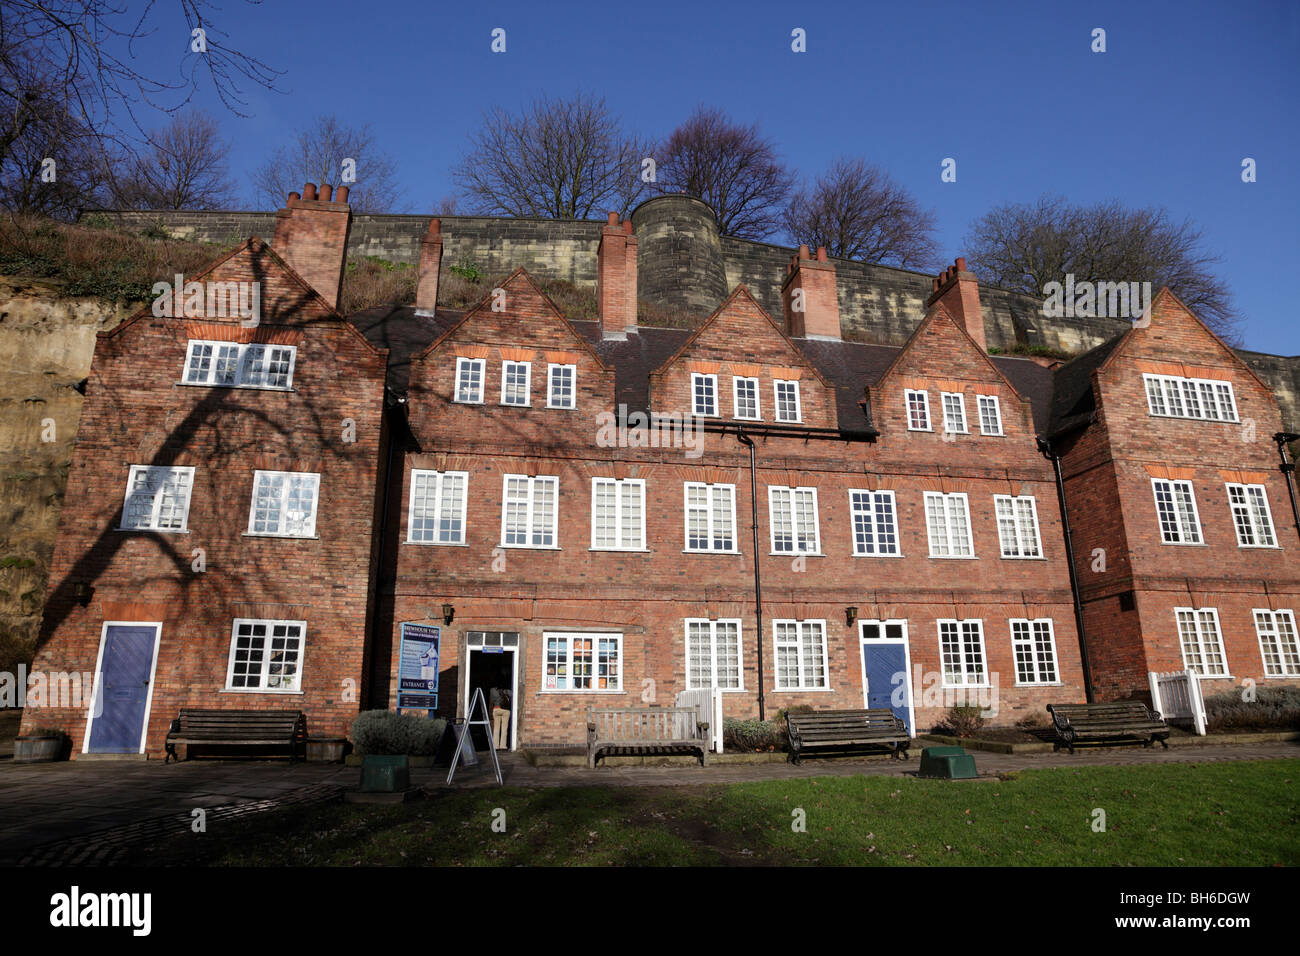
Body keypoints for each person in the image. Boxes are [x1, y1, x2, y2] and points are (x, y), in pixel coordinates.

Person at [490, 685, 511, 750]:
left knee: (496, 728)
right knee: (504, 729)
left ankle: (495, 746)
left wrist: (490, 713)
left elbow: (491, 702)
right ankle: (503, 746)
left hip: (496, 709)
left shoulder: (492, 690)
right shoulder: (508, 691)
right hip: (505, 710)